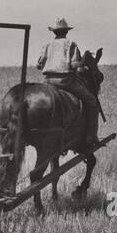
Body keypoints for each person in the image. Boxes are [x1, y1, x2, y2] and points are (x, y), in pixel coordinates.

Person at [36, 17, 101, 147]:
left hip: (47, 82)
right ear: (66, 31)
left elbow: (39, 65)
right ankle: (91, 137)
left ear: (54, 32)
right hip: (66, 81)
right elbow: (75, 65)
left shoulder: (47, 45)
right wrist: (83, 66)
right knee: (92, 101)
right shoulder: (71, 44)